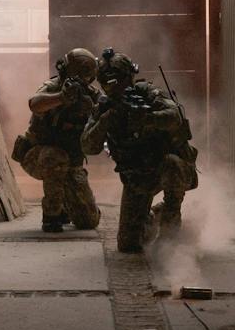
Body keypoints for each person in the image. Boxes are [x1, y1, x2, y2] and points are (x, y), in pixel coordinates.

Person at [82, 48, 199, 253]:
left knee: (172, 164)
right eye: (109, 82)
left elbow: (174, 116)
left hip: (166, 168)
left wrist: (148, 119)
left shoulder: (147, 93)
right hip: (137, 177)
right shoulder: (104, 107)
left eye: (120, 80)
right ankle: (155, 215)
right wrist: (106, 120)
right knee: (128, 244)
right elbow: (88, 146)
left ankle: (170, 229)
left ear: (130, 77)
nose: (116, 87)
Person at [13, 48, 103, 233]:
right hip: (37, 157)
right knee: (54, 156)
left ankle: (67, 204)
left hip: (71, 163)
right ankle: (52, 215)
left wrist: (96, 109)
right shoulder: (54, 87)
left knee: (88, 222)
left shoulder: (91, 95)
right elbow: (34, 103)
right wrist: (61, 98)